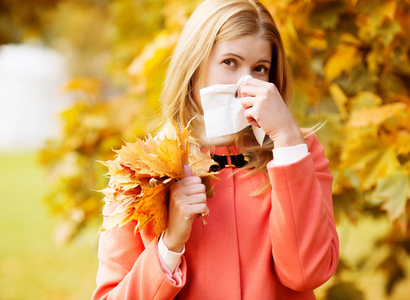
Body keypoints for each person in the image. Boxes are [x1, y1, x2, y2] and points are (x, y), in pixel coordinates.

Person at [92, 0, 339, 299]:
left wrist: (287, 140)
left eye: (260, 69)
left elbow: (306, 273)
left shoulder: (300, 151)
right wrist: (169, 246)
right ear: (195, 65)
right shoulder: (140, 172)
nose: (243, 84)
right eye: (230, 62)